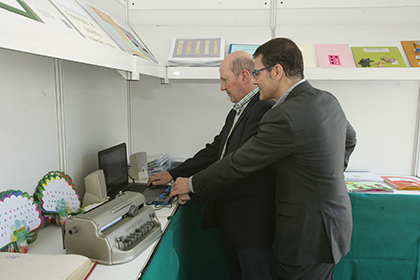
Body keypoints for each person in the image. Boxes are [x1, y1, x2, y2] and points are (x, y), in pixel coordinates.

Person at [170, 38, 357, 280]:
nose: (255, 80)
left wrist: (192, 184)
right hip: (335, 225)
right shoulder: (327, 99)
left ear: (277, 72)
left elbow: (240, 162)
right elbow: (350, 140)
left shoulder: (284, 115)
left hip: (306, 236)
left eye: (258, 72)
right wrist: (329, 175)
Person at [148, 50, 277, 280]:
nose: (221, 87)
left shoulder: (262, 110)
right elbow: (214, 151)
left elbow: (238, 169)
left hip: (252, 229)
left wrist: (195, 190)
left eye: (224, 80)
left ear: (245, 76)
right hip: (236, 225)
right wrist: (172, 173)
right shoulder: (239, 111)